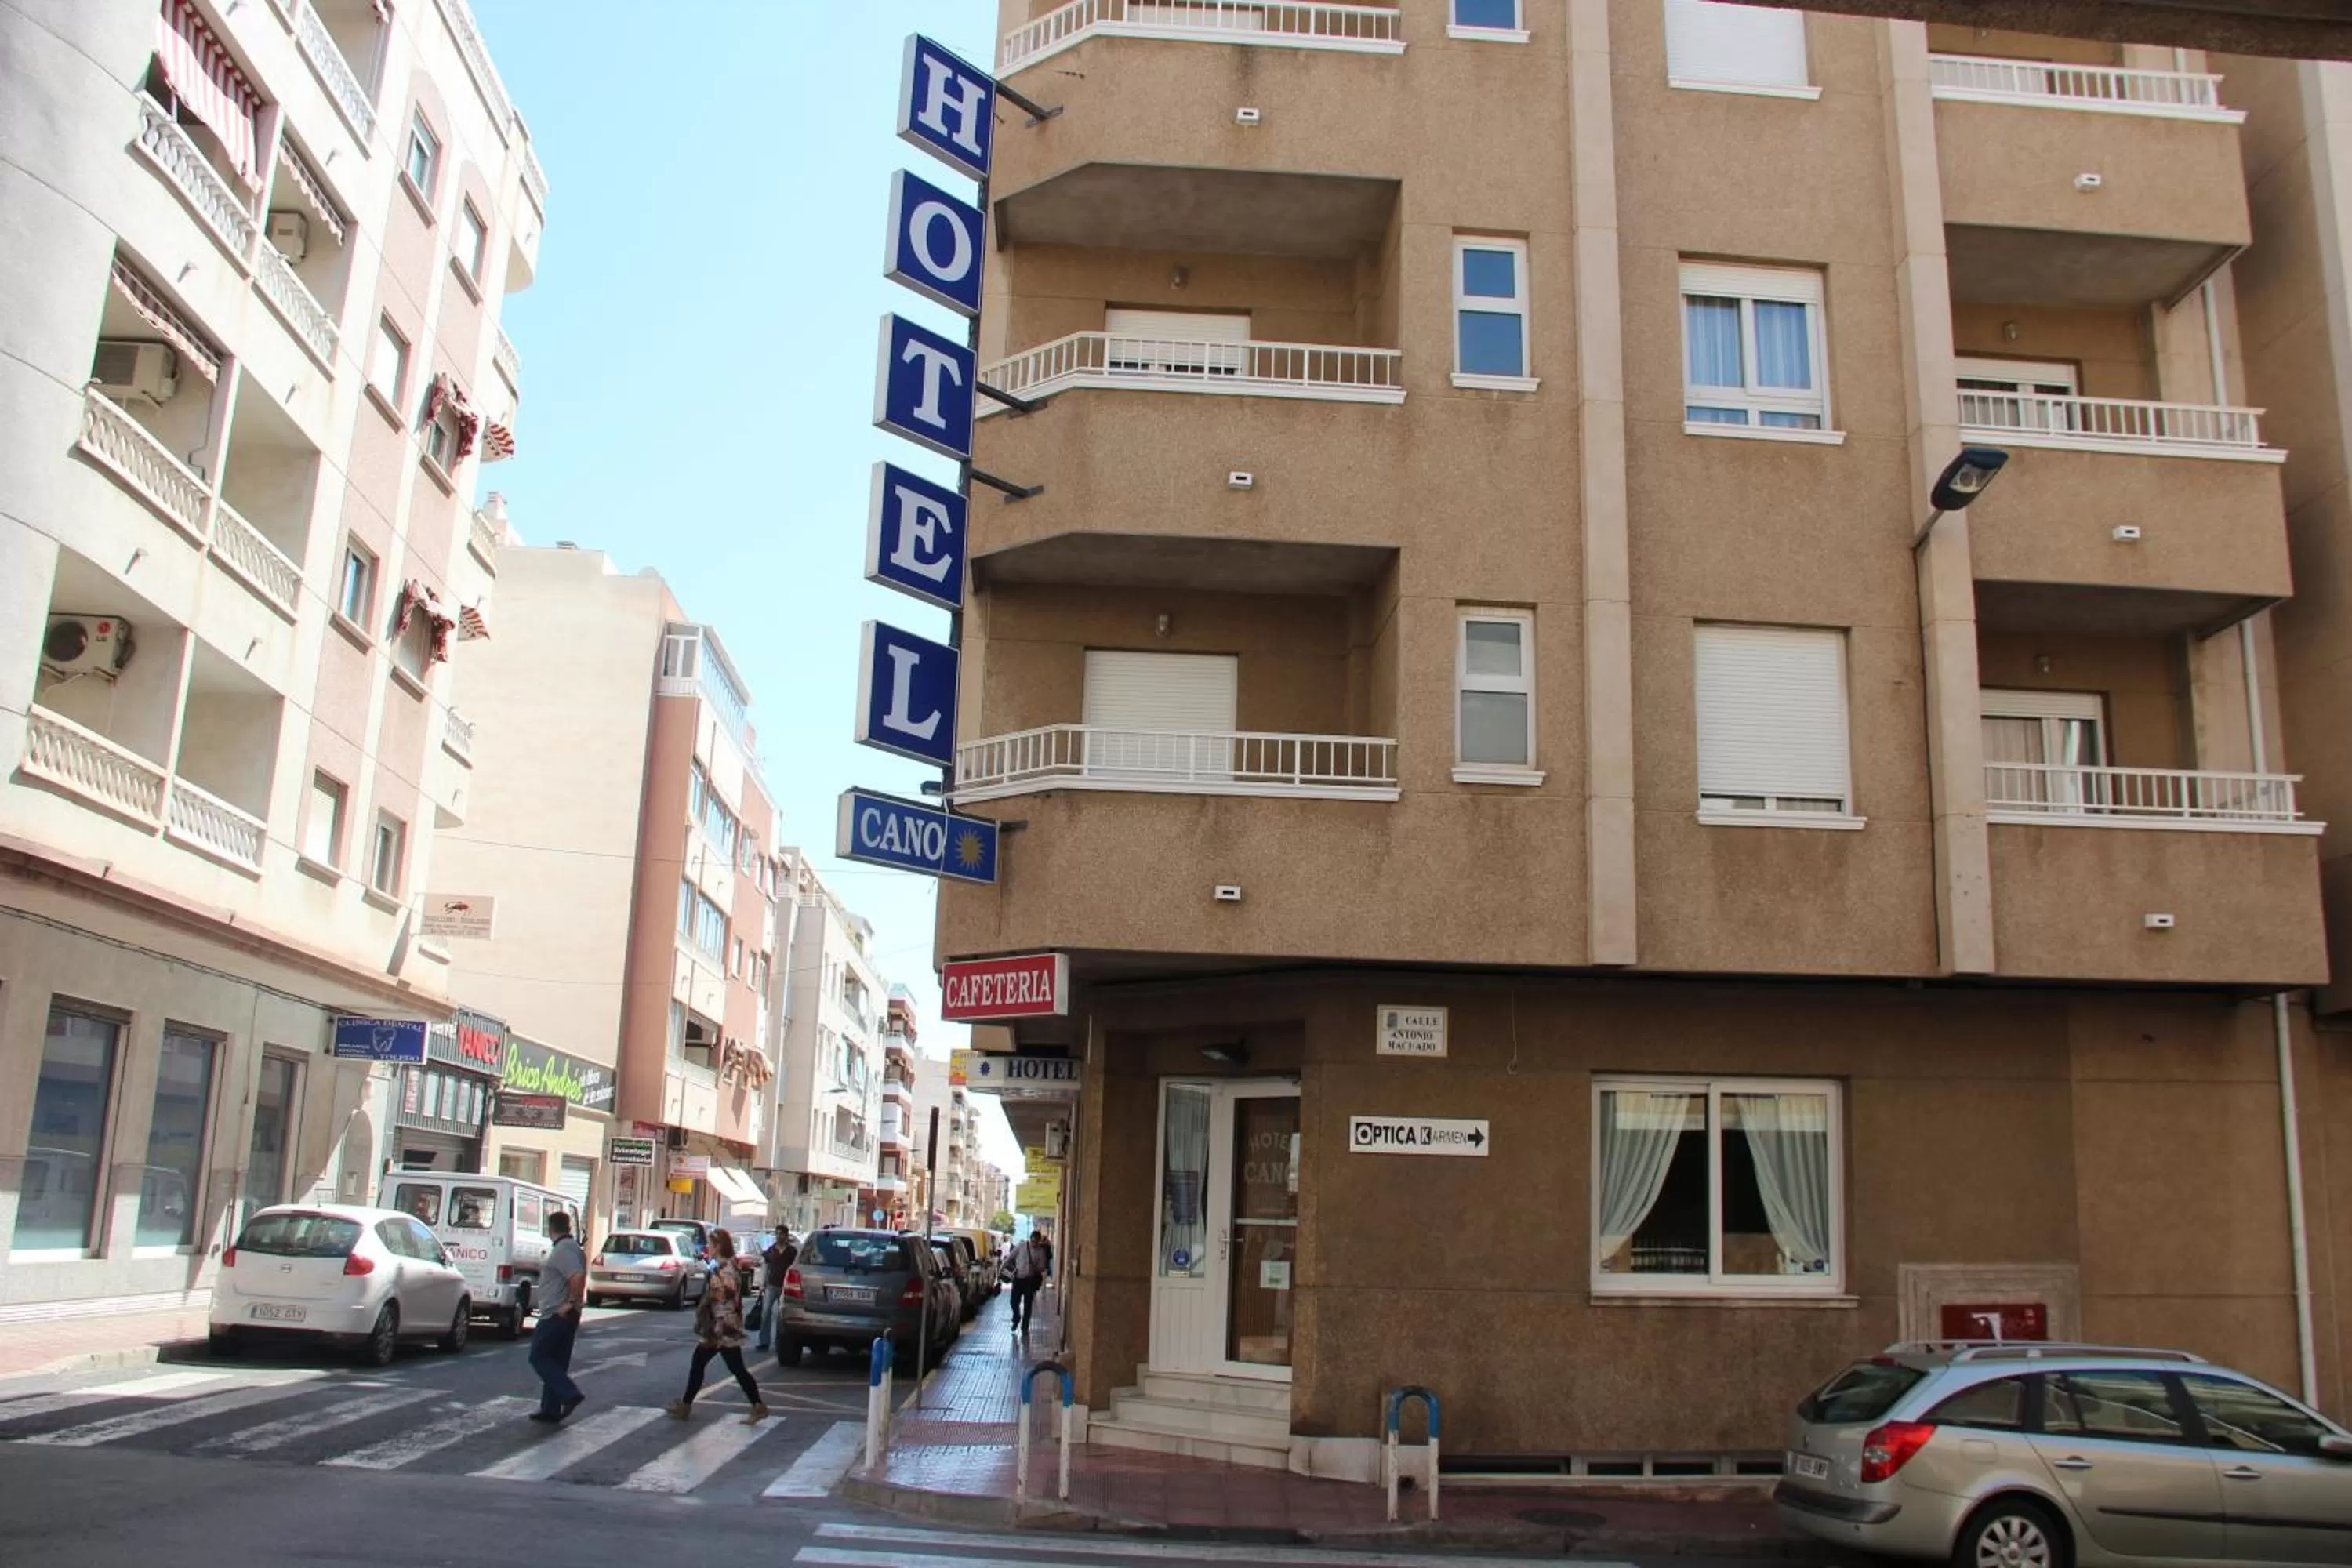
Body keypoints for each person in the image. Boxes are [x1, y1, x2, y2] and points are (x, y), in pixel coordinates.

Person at [666, 1227, 768, 1425]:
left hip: (722, 1325)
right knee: (730, 1367)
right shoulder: (724, 1265)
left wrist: (708, 1301)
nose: (709, 1248)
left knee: (709, 1364)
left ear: (719, 1245)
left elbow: (726, 1293)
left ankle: (686, 1406)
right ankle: (757, 1405)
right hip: (723, 1324)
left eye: (711, 1245)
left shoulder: (725, 1268)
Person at [527, 1211, 587, 1425]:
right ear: (569, 1227)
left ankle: (569, 1393)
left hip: (556, 1314)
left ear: (550, 1227)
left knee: (538, 1357)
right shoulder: (573, 1248)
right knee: (556, 1361)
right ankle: (550, 1409)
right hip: (567, 1315)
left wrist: (570, 1302)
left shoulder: (563, 1250)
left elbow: (576, 1276)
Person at [754, 1225, 796, 1354]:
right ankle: (764, 1342)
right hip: (771, 1285)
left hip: (785, 1287)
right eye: (777, 1234)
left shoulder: (791, 1251)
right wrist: (762, 1286)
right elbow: (765, 1267)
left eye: (781, 1234)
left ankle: (781, 1342)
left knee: (782, 1316)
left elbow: (795, 1268)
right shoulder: (772, 1250)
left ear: (786, 1236)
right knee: (766, 1313)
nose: (778, 1236)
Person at [1006, 1234, 1042, 1336]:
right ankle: (1016, 1318)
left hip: (1030, 1281)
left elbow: (1042, 1267)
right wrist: (1001, 1271)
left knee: (1028, 1304)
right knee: (1014, 1302)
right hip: (1018, 1279)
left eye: (1036, 1242)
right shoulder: (1021, 1246)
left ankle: (1025, 1326)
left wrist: (1034, 1268)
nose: (1033, 1244)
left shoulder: (1040, 1252)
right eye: (1032, 1241)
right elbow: (1010, 1257)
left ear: (1038, 1242)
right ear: (1030, 1239)